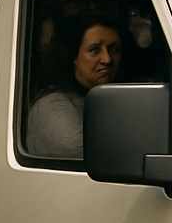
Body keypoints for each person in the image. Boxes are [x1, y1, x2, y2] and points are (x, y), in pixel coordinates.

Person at [26, 11, 123, 159]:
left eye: (114, 49)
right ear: (73, 57)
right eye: (95, 50)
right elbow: (92, 157)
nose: (107, 59)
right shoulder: (52, 104)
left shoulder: (113, 100)